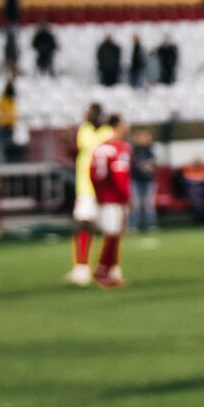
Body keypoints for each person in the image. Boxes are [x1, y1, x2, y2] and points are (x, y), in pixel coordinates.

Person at [65, 102, 109, 285]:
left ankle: (105, 267)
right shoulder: (87, 130)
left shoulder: (102, 132)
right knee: (84, 224)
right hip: (86, 186)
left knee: (107, 227)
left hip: (102, 186)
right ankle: (82, 267)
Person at [87, 117, 131, 287]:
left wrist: (98, 194)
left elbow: (91, 173)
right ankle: (104, 269)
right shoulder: (120, 147)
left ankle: (108, 269)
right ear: (117, 127)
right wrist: (125, 196)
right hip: (115, 197)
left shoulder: (99, 147)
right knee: (113, 233)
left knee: (111, 233)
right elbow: (120, 174)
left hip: (102, 195)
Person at [129, 127, 159, 238]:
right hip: (136, 180)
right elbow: (134, 165)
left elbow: (154, 164)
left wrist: (148, 166)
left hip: (148, 181)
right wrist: (143, 166)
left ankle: (151, 224)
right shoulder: (133, 151)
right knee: (135, 204)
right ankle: (133, 225)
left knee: (149, 204)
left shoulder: (149, 151)